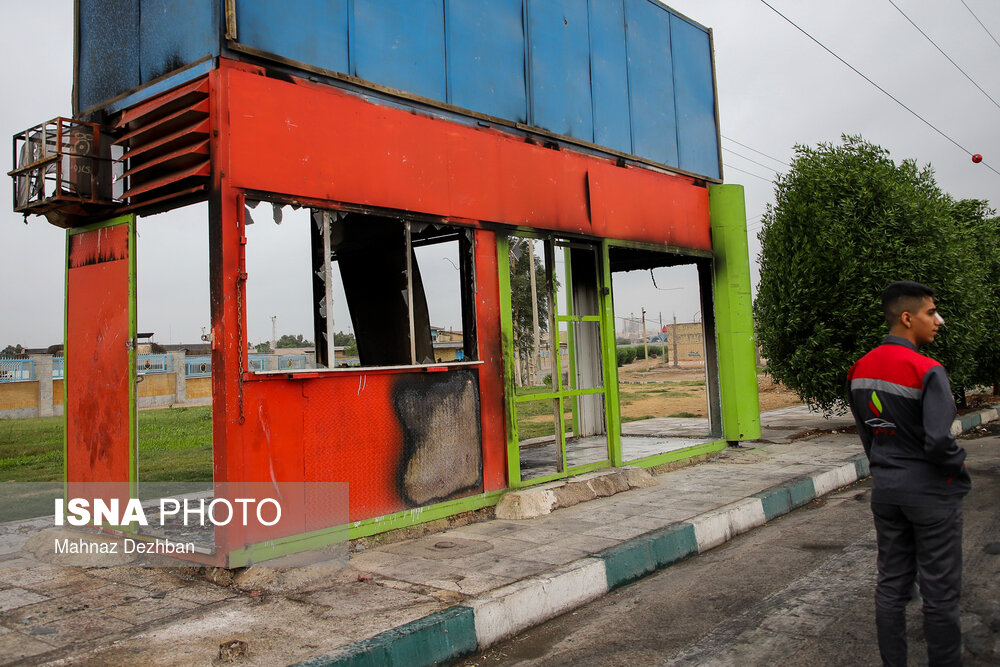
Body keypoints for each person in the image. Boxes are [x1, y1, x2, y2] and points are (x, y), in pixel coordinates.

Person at [847, 281, 971, 666]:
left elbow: (870, 438)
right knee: (940, 595)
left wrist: (886, 469)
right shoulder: (928, 370)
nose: (938, 320)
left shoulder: (859, 370)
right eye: (931, 312)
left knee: (890, 587)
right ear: (907, 317)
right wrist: (959, 466)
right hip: (931, 495)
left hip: (886, 491)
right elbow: (937, 442)